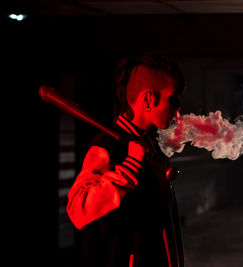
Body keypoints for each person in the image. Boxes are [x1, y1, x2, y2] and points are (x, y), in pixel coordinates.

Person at [67, 53, 186, 267]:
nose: (178, 111)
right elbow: (78, 211)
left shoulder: (151, 146)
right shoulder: (106, 147)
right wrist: (130, 165)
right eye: (173, 97)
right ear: (149, 99)